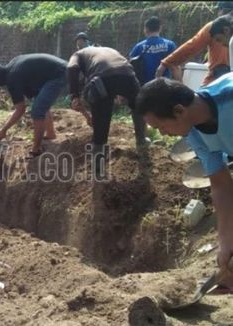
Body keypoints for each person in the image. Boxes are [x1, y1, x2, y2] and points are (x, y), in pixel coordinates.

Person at [136, 74, 233, 292]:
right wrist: (226, 243)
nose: (163, 134)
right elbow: (221, 184)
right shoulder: (194, 132)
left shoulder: (230, 100)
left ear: (179, 111)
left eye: (161, 126)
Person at [67, 46, 147, 174]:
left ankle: (98, 168)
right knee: (138, 107)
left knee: (100, 125)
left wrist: (74, 95)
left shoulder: (77, 54)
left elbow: (71, 67)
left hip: (102, 79)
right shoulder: (109, 50)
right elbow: (119, 68)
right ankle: (142, 142)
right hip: (128, 74)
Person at [0, 53, 67, 158]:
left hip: (58, 74)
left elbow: (20, 109)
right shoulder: (13, 66)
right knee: (39, 103)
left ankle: (36, 149)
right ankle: (50, 134)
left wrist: (3, 130)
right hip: (60, 68)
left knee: (37, 111)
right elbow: (32, 94)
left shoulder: (12, 78)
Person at [155, 1, 233, 85]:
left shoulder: (213, 28)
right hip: (224, 78)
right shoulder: (218, 29)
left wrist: (166, 62)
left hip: (218, 81)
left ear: (222, 10)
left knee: (200, 97)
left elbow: (191, 47)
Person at [129, 16, 177, 85]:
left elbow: (130, 65)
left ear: (146, 29)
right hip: (164, 85)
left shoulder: (139, 47)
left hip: (145, 86)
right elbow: (175, 67)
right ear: (160, 28)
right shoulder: (170, 45)